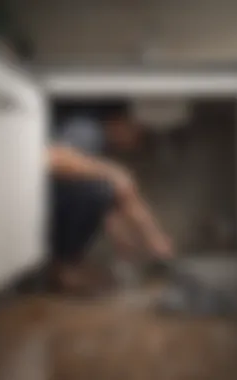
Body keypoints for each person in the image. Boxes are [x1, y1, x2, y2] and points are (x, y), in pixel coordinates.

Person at [45, 107, 173, 293]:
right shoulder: (88, 130)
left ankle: (65, 268)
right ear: (121, 122)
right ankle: (63, 269)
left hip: (42, 205)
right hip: (29, 203)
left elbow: (111, 204)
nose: (134, 144)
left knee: (103, 189)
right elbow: (52, 158)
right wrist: (113, 173)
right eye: (136, 134)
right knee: (102, 187)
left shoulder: (97, 143)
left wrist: (129, 240)